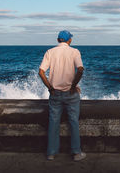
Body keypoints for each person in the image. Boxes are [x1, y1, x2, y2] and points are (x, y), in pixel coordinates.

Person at [38, 30, 85, 161]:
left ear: (58, 40)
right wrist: (73, 85)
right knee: (73, 122)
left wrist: (50, 88)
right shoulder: (74, 52)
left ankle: (51, 153)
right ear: (69, 40)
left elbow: (41, 72)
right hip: (70, 94)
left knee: (53, 122)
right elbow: (80, 69)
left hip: (55, 94)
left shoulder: (50, 52)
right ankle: (76, 153)